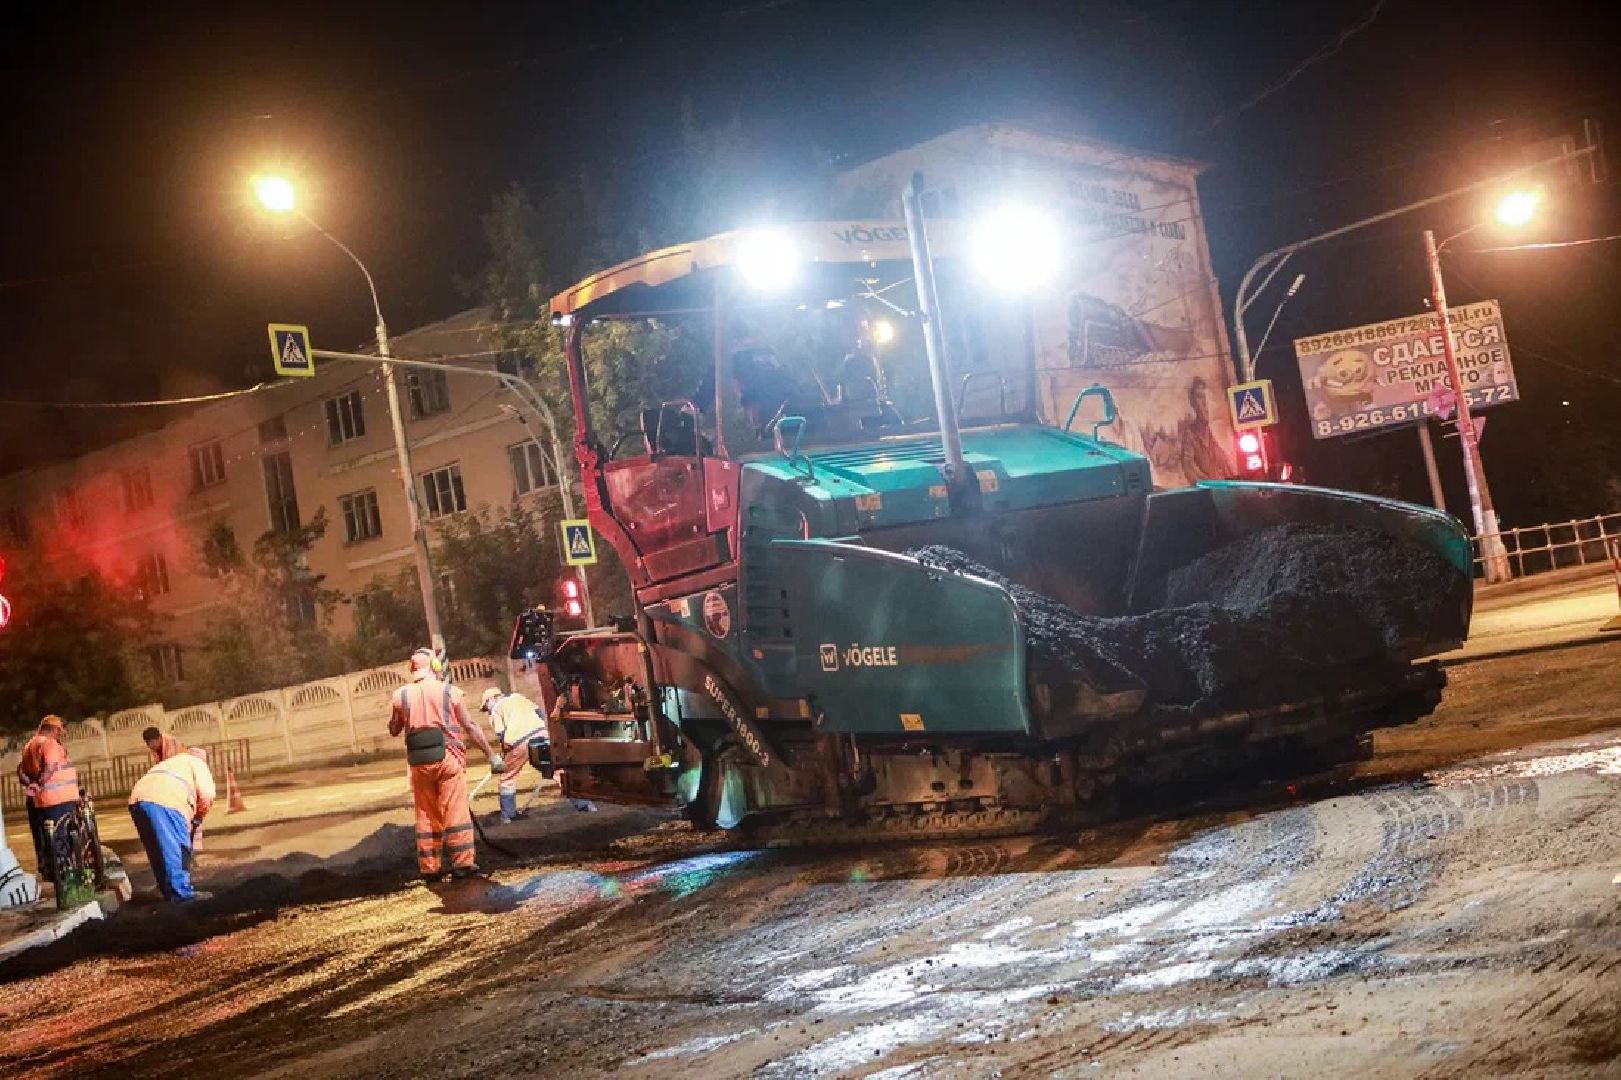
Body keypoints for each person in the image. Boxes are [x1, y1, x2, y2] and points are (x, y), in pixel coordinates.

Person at [389, 648, 502, 883]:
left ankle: (430, 868)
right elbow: (470, 725)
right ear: (435, 667)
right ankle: (462, 865)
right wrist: (491, 755)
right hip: (448, 759)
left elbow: (394, 729)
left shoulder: (401, 695)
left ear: (412, 669)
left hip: (419, 764)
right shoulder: (450, 692)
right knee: (455, 811)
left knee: (426, 815)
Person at [480, 688, 595, 821]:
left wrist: (505, 756)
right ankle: (585, 805)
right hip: (541, 735)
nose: (487, 710)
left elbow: (502, 736)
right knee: (557, 771)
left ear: (491, 699)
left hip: (518, 742)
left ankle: (508, 816)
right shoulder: (519, 697)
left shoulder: (496, 709)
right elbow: (539, 712)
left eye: (486, 706)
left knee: (507, 778)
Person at [127, 747, 215, 902]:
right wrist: (199, 816)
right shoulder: (198, 764)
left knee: (156, 849)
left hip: (137, 798)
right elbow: (207, 794)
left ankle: (165, 890)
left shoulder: (173, 762)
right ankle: (182, 894)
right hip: (167, 800)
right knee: (177, 848)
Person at [16, 715, 80, 884]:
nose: (61, 734)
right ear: (55, 729)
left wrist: (32, 785)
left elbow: (21, 772)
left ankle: (51, 872)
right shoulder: (49, 743)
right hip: (59, 799)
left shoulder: (29, 745)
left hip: (42, 801)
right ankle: (65, 877)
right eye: (60, 731)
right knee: (62, 837)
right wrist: (39, 783)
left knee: (47, 837)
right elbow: (50, 767)